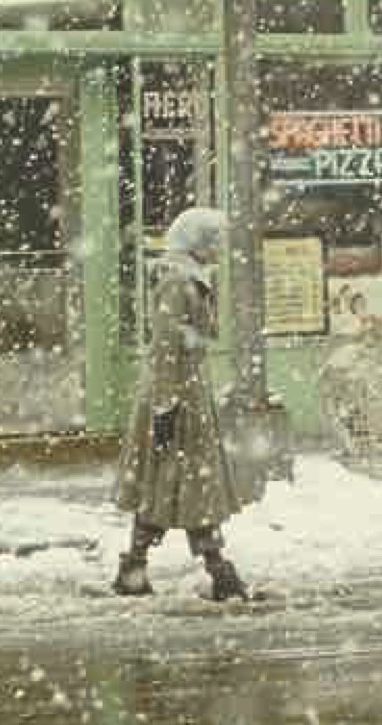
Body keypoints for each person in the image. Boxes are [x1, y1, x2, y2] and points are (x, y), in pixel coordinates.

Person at [112, 206, 249, 601]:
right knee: (184, 486)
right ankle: (217, 571)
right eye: (215, 239)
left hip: (184, 395)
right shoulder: (177, 282)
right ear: (197, 241)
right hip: (177, 397)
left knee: (175, 485)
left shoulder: (187, 278)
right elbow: (166, 348)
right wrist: (165, 405)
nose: (220, 248)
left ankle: (138, 567)